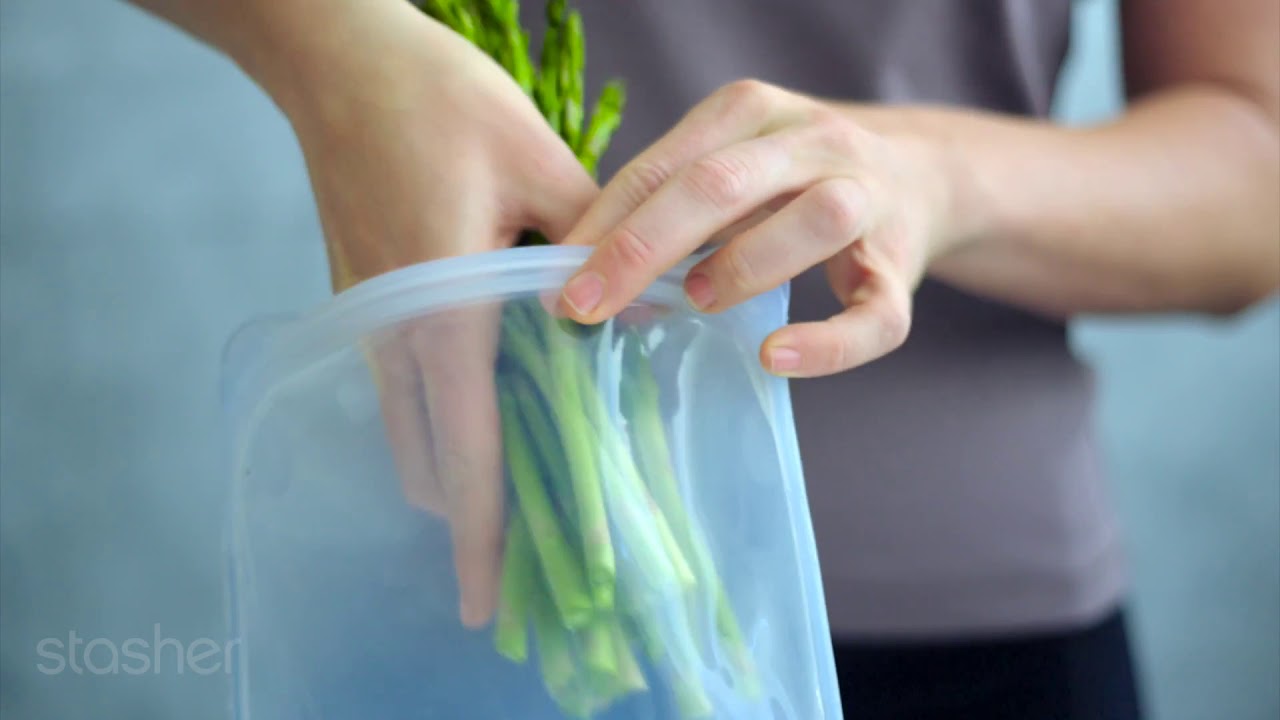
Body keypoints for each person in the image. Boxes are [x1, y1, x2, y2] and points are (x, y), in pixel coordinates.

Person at [128, 0, 1279, 717]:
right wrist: (329, 42)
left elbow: (1255, 164)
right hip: (453, 603)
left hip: (971, 625)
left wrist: (930, 176)